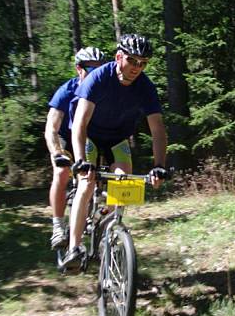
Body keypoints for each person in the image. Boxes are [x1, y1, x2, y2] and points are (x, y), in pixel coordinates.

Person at [59, 33, 168, 273]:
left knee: (124, 183)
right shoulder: (98, 78)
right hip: (90, 135)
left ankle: (109, 232)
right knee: (86, 184)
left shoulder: (145, 87)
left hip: (118, 138)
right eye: (132, 60)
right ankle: (74, 249)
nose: (137, 68)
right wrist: (80, 162)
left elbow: (158, 129)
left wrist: (159, 165)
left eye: (143, 63)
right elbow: (79, 125)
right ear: (119, 57)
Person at [45, 46, 105, 249]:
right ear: (79, 68)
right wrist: (56, 154)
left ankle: (93, 216)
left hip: (88, 138)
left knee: (94, 178)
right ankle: (58, 226)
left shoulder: (104, 91)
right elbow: (51, 128)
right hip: (64, 138)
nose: (96, 73)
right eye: (91, 68)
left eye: (101, 68)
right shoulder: (66, 91)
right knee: (62, 172)